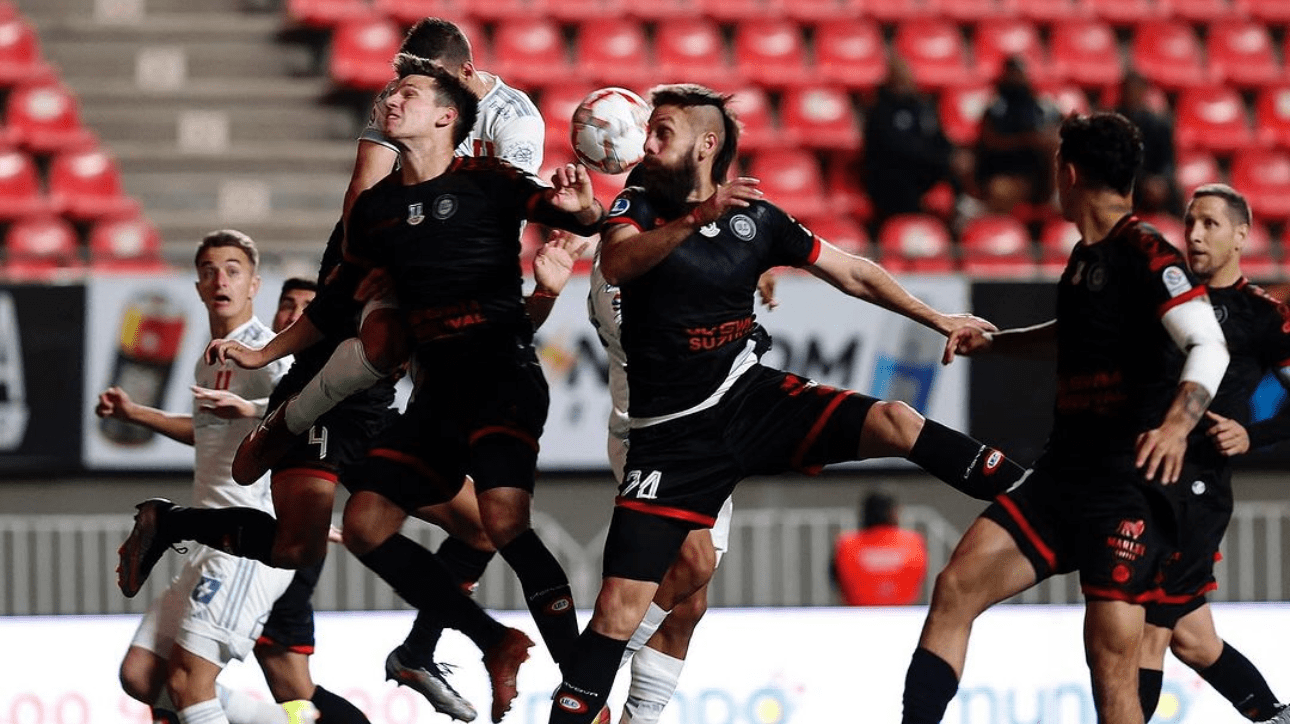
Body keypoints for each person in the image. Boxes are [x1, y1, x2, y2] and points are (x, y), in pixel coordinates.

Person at [116, 18, 570, 722]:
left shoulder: (505, 128)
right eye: (393, 80)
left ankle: (436, 649)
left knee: (477, 527)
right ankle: (272, 435)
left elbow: (534, 225)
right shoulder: (399, 156)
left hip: (432, 318)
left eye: (408, 78)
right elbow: (363, 205)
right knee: (284, 569)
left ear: (447, 88)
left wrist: (522, 279)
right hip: (386, 285)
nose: (390, 91)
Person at [544, 83, 1035, 724]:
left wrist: (936, 318)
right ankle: (592, 698)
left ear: (707, 145)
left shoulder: (755, 219)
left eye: (661, 130)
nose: (646, 140)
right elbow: (620, 258)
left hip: (749, 400)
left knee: (895, 421)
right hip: (669, 435)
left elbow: (852, 270)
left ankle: (1034, 497)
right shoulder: (637, 203)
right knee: (627, 604)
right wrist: (696, 219)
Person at [901, 112, 1230, 724]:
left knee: (1110, 671)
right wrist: (994, 343)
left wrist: (1177, 426)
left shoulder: (1147, 253)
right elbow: (1071, 335)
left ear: (1069, 173)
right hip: (1063, 474)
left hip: (1125, 489)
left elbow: (1209, 344)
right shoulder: (1086, 257)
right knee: (956, 588)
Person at [102, 231, 305, 724]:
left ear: (255, 283)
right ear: (197, 286)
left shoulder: (270, 351)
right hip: (204, 536)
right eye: (210, 270)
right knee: (141, 675)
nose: (221, 280)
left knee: (187, 683)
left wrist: (254, 406)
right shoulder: (208, 356)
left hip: (248, 543)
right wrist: (136, 415)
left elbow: (305, 411)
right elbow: (208, 433)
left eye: (233, 270)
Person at [1136, 184, 1290, 724]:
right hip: (1146, 481)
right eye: (1190, 223)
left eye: (1211, 224)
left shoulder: (1264, 315)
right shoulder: (1169, 301)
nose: (1196, 234)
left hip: (1195, 492)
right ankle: (1274, 715)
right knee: (1193, 641)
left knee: (1144, 637)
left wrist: (1255, 435)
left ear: (1242, 235)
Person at [863, 57, 962, 222]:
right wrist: (939, 159)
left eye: (906, 75)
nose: (904, 80)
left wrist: (952, 155)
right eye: (899, 76)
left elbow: (938, 136)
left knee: (958, 168)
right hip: (891, 175)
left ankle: (960, 215)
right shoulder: (879, 110)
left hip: (922, 168)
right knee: (898, 183)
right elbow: (895, 148)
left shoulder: (921, 107)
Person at [975, 56, 1060, 215]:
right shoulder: (995, 108)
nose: (1017, 78)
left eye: (1019, 73)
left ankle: (1057, 195)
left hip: (1038, 173)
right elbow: (990, 142)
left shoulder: (1040, 106)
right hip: (1004, 170)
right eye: (1012, 73)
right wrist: (1028, 140)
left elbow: (1057, 131)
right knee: (1000, 190)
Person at [831, 491, 928, 606]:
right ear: (893, 512)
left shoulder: (846, 543)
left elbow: (835, 579)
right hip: (903, 613)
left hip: (858, 613)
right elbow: (920, 578)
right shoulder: (913, 541)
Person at [1114, 71, 1178, 216]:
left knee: (1174, 190)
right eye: (1130, 90)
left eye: (1137, 90)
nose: (1133, 94)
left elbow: (1168, 161)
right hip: (1128, 183)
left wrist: (1161, 181)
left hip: (1154, 182)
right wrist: (1143, 182)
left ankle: (1178, 228)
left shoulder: (1157, 124)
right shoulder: (1112, 124)